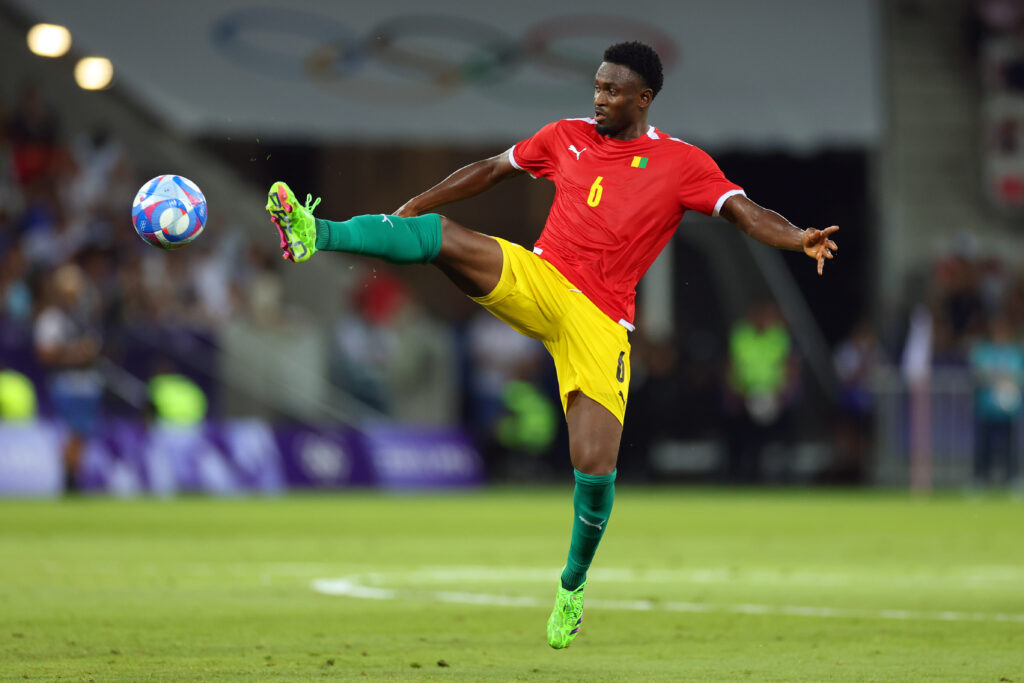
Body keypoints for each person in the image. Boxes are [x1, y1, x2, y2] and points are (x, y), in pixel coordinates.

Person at [265, 41, 838, 649]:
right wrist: (416, 204)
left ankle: (572, 585)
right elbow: (490, 170)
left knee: (594, 465)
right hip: (541, 280)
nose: (599, 98)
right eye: (596, 86)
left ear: (643, 98)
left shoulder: (681, 162)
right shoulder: (565, 136)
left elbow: (743, 212)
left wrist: (797, 237)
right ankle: (312, 231)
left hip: (601, 321)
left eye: (612, 90)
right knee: (439, 235)